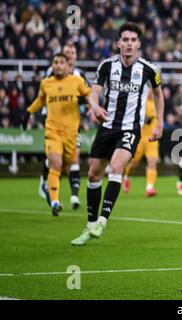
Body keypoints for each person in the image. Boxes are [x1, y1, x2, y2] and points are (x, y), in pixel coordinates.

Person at [71, 22, 164, 246]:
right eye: (125, 40)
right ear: (118, 43)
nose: (129, 44)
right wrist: (94, 106)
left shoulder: (148, 70)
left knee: (115, 166)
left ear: (139, 44)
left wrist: (160, 123)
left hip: (131, 128)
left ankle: (103, 219)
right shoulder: (106, 66)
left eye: (133, 40)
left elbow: (159, 95)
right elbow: (93, 94)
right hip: (107, 127)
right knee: (93, 174)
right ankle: (91, 224)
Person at [22, 52, 91, 216]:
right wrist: (28, 113)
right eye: (55, 62)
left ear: (68, 66)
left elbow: (90, 95)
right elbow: (40, 100)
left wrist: (88, 102)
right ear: (52, 65)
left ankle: (48, 187)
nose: (58, 65)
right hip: (52, 132)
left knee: (68, 165)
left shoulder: (77, 81)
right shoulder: (46, 83)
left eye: (61, 62)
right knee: (56, 164)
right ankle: (55, 201)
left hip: (71, 134)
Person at [38, 42, 89, 210]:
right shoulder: (53, 72)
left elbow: (88, 94)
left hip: (73, 123)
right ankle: (46, 183)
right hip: (53, 121)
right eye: (67, 52)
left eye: (73, 52)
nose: (70, 55)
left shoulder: (79, 74)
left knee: (73, 158)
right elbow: (45, 96)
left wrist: (90, 106)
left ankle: (73, 195)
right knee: (56, 161)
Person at [122, 90, 159, 197]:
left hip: (152, 139)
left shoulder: (157, 104)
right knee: (134, 163)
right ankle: (126, 176)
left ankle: (150, 187)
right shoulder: (141, 103)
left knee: (152, 161)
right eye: (150, 91)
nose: (152, 93)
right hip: (140, 138)